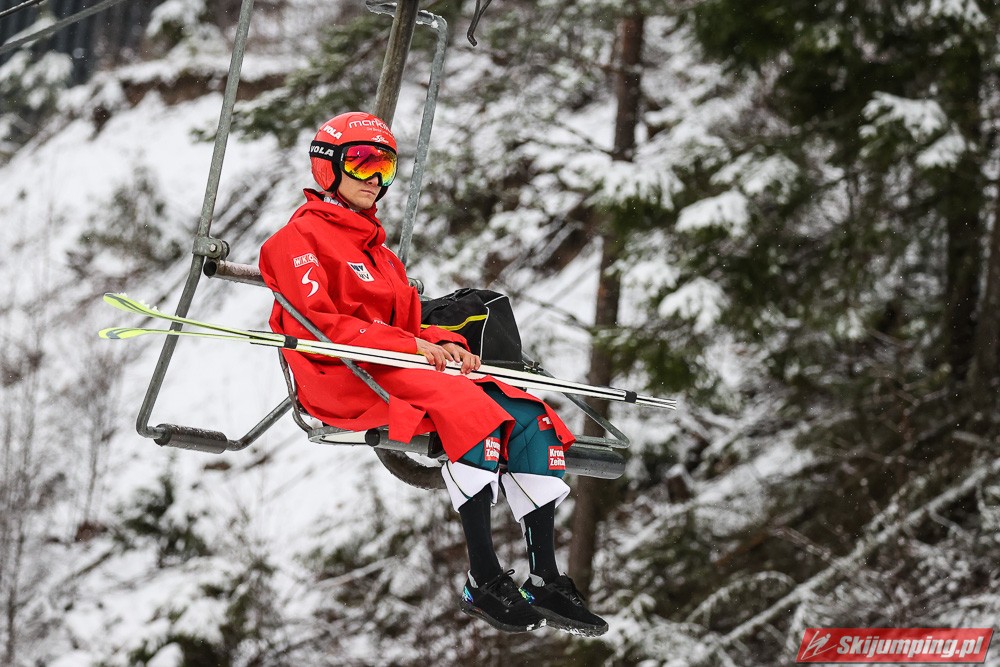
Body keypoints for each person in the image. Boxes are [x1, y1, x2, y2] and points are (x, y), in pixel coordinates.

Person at [258, 111, 608, 636]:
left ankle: (545, 578)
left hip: (400, 368)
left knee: (531, 418)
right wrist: (412, 345)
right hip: (346, 377)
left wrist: (445, 341)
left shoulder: (379, 253)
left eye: (385, 167)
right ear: (328, 167)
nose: (375, 179)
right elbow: (323, 328)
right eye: (362, 163)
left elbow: (407, 324)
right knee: (472, 412)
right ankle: (483, 578)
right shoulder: (297, 241)